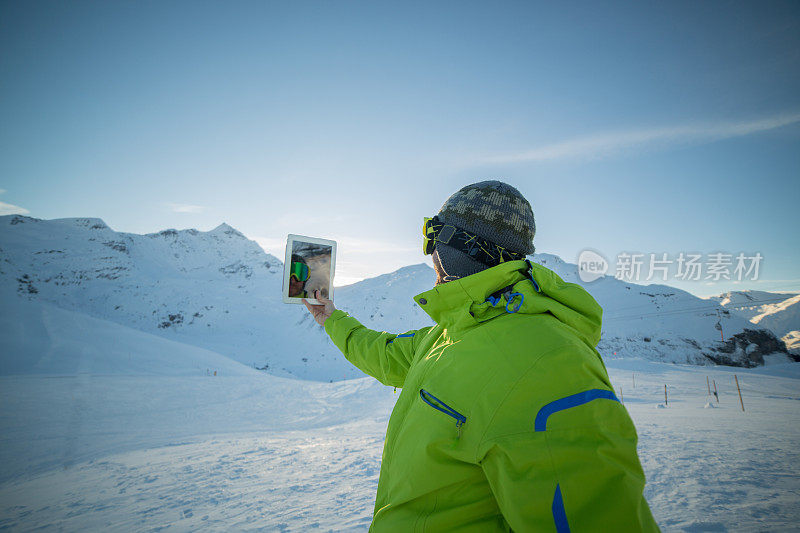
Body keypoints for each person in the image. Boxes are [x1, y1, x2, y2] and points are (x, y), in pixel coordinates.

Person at [303, 181, 659, 532]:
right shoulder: (450, 333)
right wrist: (332, 318)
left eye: (431, 236)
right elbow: (383, 354)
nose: (427, 253)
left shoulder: (547, 363)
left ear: (449, 246)